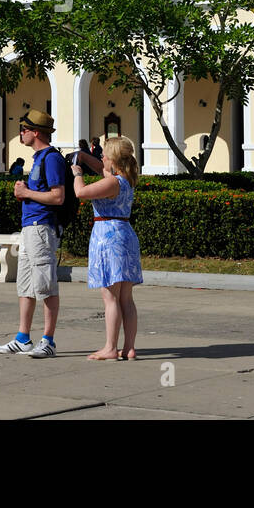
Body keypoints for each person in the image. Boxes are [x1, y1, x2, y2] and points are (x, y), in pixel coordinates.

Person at [0, 110, 67, 359]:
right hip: (30, 227)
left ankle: (48, 340)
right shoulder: (39, 158)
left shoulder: (51, 159)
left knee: (45, 284)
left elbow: (58, 197)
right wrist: (24, 191)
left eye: (24, 130)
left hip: (42, 227)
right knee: (25, 284)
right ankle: (23, 338)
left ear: (35, 132)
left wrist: (26, 193)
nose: (20, 134)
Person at [72, 136, 143, 361]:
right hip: (125, 234)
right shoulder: (125, 180)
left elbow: (80, 192)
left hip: (108, 237)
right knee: (126, 298)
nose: (101, 157)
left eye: (104, 155)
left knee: (110, 296)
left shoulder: (112, 183)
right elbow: (102, 170)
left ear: (113, 159)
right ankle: (129, 348)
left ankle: (110, 348)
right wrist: (85, 157)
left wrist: (77, 173)